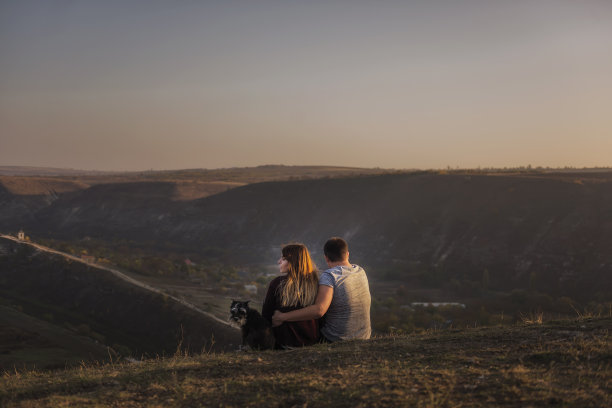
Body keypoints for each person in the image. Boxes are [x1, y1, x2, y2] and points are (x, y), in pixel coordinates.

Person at [272, 237, 371, 342]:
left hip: (337, 339)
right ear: (347, 254)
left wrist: (283, 317)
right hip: (364, 337)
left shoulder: (330, 276)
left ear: (326, 258)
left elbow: (319, 310)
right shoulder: (360, 271)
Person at [261, 243, 320, 348]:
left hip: (284, 342)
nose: (279, 262)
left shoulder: (277, 284)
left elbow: (266, 316)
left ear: (293, 262)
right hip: (312, 341)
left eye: (283, 259)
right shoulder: (317, 283)